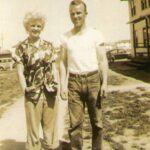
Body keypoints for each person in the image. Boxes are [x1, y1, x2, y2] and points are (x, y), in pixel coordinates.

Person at [59, 0, 108, 150]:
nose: (76, 16)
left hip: (93, 81)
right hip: (74, 82)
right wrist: (63, 85)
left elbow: (102, 60)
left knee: (97, 123)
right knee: (75, 126)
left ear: (85, 14)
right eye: (72, 14)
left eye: (79, 13)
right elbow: (62, 63)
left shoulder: (95, 34)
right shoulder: (65, 37)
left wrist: (104, 82)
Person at [12, 12, 59, 150]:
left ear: (42, 27)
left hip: (50, 91)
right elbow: (20, 72)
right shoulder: (21, 48)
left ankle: (50, 147)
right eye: (33, 25)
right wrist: (24, 89)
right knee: (33, 129)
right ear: (27, 27)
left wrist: (57, 86)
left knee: (50, 128)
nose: (36, 28)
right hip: (32, 93)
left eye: (39, 26)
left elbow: (54, 68)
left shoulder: (49, 45)